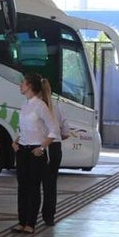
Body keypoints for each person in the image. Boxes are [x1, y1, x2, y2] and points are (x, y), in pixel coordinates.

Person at [11, 72, 59, 234]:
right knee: (22, 186)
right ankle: (21, 220)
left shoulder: (41, 106)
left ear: (30, 86)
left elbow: (54, 130)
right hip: (22, 149)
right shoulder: (24, 105)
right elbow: (24, 128)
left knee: (33, 187)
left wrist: (42, 148)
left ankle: (31, 222)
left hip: (35, 151)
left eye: (23, 83)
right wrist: (15, 142)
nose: (20, 85)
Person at [41, 79, 70, 227]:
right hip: (55, 147)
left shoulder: (36, 107)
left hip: (39, 147)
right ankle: (49, 216)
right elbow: (66, 130)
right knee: (51, 184)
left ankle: (31, 216)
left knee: (34, 183)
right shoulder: (57, 106)